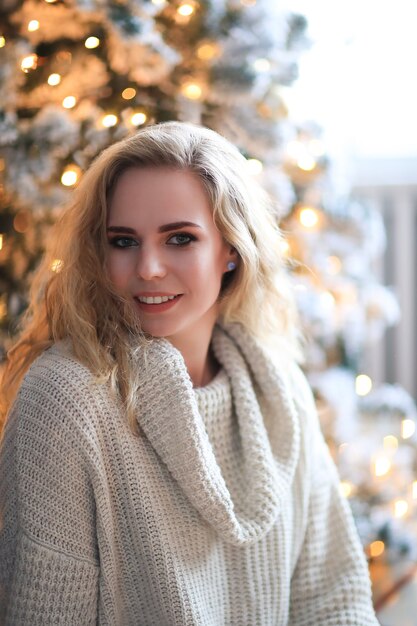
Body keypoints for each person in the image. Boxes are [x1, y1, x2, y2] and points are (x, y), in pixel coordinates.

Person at [0, 121, 379, 625]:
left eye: (179, 238)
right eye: (123, 241)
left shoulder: (278, 389)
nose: (149, 267)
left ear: (230, 250)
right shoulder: (68, 399)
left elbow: (335, 599)